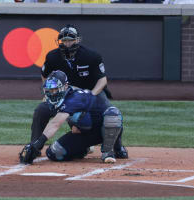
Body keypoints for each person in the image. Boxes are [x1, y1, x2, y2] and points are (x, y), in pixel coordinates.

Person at [28, 26, 126, 157]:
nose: (67, 43)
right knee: (41, 110)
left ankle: (117, 147)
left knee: (111, 113)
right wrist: (48, 94)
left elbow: (102, 80)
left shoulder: (91, 56)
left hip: (91, 92)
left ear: (77, 40)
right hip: (63, 94)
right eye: (64, 40)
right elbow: (44, 74)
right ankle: (34, 146)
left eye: (70, 40)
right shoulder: (52, 57)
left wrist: (90, 96)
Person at [20, 70, 127, 164]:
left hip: (102, 127)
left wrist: (37, 144)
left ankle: (112, 150)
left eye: (54, 90)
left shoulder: (74, 98)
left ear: (65, 86)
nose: (52, 93)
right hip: (86, 132)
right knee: (54, 153)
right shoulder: (60, 98)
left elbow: (55, 123)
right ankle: (83, 149)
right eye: (49, 90)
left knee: (112, 115)